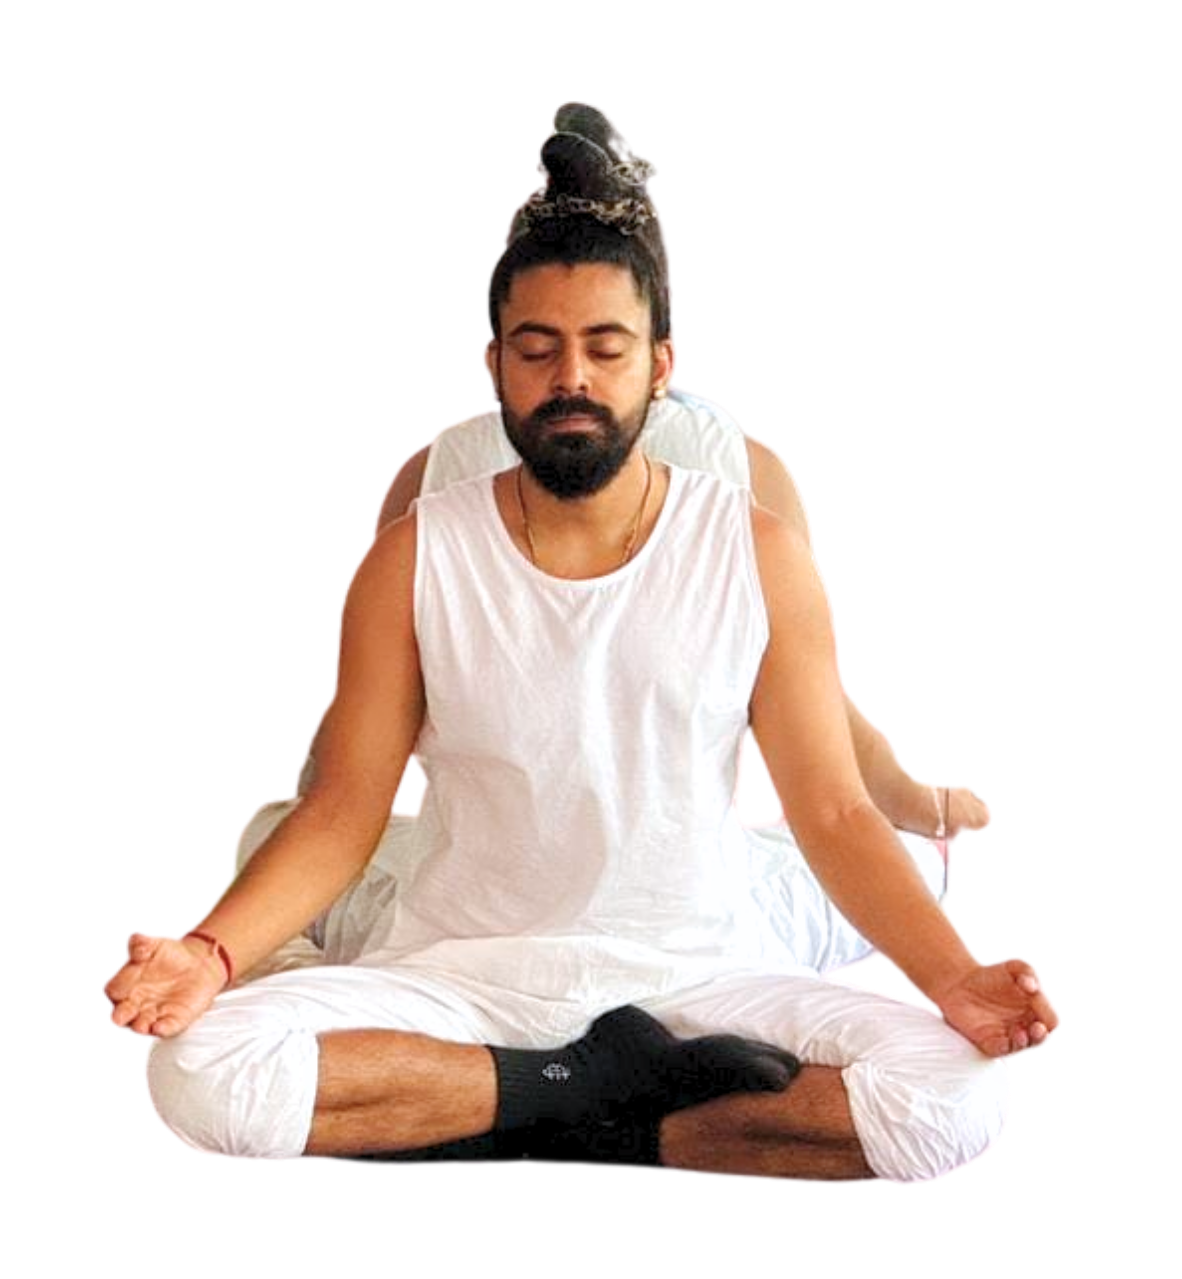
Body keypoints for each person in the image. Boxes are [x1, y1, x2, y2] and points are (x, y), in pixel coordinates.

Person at [105, 102, 1058, 1181]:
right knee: (197, 1069)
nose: (572, 379)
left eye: (605, 349)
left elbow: (833, 808)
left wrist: (957, 980)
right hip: (465, 965)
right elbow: (343, 808)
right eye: (538, 348)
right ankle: (587, 1083)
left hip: (701, 966)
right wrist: (209, 952)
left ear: (659, 365)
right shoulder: (415, 553)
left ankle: (531, 1108)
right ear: (494, 365)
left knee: (959, 1096)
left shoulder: (753, 544)